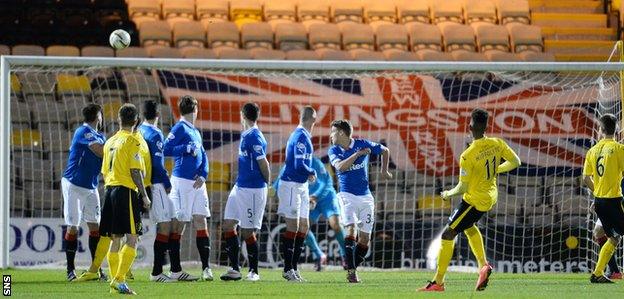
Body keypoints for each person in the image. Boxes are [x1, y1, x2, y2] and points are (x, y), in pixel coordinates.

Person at [419, 108, 521, 292]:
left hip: (474, 200)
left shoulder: (468, 155)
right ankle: (483, 266)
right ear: (486, 126)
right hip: (490, 196)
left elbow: (462, 188)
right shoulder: (498, 143)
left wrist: (447, 194)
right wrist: (497, 169)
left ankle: (438, 283)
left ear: (470, 127)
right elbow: (516, 162)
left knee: (448, 234)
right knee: (468, 226)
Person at [328, 119, 392, 283]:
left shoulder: (362, 143)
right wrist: (357, 155)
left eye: (333, 131)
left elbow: (385, 150)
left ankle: (351, 266)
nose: (331, 135)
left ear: (341, 133)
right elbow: (341, 167)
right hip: (346, 196)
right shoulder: (334, 150)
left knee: (365, 239)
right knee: (350, 231)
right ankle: (351, 272)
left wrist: (384, 171)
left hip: (366, 197)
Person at [99, 104, 151, 295]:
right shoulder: (132, 140)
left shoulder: (109, 141)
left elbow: (104, 171)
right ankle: (119, 279)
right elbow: (135, 170)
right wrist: (144, 195)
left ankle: (116, 283)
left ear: (119, 119)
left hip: (109, 190)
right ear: (136, 121)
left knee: (115, 239)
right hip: (125, 191)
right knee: (133, 238)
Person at [164, 95, 212, 281]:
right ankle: (175, 270)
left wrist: (203, 174)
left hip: (198, 183)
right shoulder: (180, 127)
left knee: (201, 220)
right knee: (180, 223)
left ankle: (206, 269)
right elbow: (166, 149)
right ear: (194, 109)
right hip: (182, 182)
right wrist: (185, 148)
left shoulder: (195, 131)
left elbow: (203, 155)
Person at [220, 102, 270, 282]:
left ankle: (254, 271)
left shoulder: (255, 137)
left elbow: (264, 164)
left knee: (248, 231)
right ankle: (234, 268)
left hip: (253, 190)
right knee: (228, 225)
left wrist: (267, 187)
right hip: (239, 187)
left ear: (242, 115)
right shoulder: (246, 134)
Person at [274, 157, 347, 271]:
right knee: (302, 228)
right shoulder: (289, 165)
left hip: (326, 197)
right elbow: (278, 182)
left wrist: (316, 196)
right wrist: (270, 190)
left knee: (335, 225)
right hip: (309, 200)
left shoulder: (315, 162)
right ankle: (320, 256)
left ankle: (345, 255)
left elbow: (325, 181)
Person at [61, 104, 106, 281]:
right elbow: (100, 151)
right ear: (98, 116)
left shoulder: (100, 136)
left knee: (95, 226)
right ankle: (70, 270)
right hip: (74, 184)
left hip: (91, 186)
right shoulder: (83, 132)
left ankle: (95, 269)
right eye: (101, 114)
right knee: (73, 226)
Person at [138, 100, 177, 283]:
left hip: (141, 184)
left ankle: (162, 270)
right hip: (156, 184)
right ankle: (156, 272)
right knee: (164, 225)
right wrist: (167, 182)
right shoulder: (155, 134)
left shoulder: (138, 131)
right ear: (157, 116)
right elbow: (157, 164)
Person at [277, 106, 317, 282]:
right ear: (313, 119)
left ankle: (293, 267)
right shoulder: (300, 136)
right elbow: (299, 165)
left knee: (304, 226)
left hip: (300, 186)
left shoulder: (304, 136)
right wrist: (312, 171)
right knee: (293, 226)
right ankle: (287, 269)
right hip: (291, 184)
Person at [583, 114, 624, 284]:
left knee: (612, 238)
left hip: (600, 202)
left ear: (600, 130)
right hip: (615, 200)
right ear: (617, 130)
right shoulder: (619, 149)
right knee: (613, 238)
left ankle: (600, 273)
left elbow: (586, 178)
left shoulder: (592, 150)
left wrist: (598, 192)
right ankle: (600, 272)